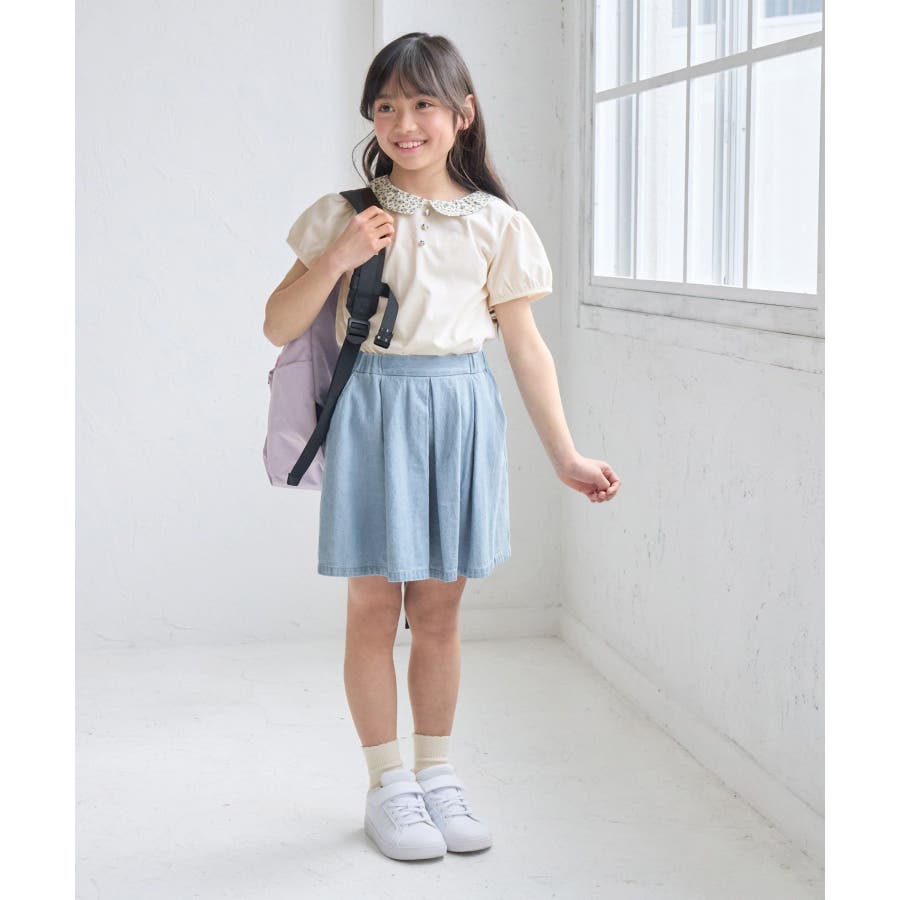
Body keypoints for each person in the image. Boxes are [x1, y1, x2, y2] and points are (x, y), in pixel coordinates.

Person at [263, 32, 620, 862]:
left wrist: (565, 456)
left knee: (439, 610)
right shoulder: (343, 214)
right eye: (386, 106)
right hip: (373, 411)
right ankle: (387, 784)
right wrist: (339, 258)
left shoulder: (498, 223)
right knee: (371, 604)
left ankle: (436, 775)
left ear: (463, 114)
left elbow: (526, 348)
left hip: (459, 411)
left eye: (423, 103)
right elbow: (278, 325)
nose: (403, 123)